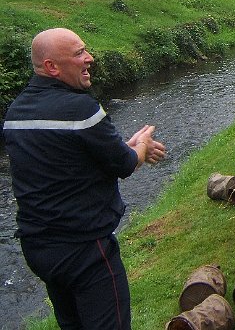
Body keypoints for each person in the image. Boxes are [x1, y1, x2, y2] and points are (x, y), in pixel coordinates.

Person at [1, 28, 166, 330]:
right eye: (78, 53)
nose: (89, 58)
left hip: (39, 249)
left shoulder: (16, 112)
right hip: (85, 250)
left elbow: (66, 165)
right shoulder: (81, 109)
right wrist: (140, 146)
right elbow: (125, 165)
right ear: (52, 67)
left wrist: (124, 148)